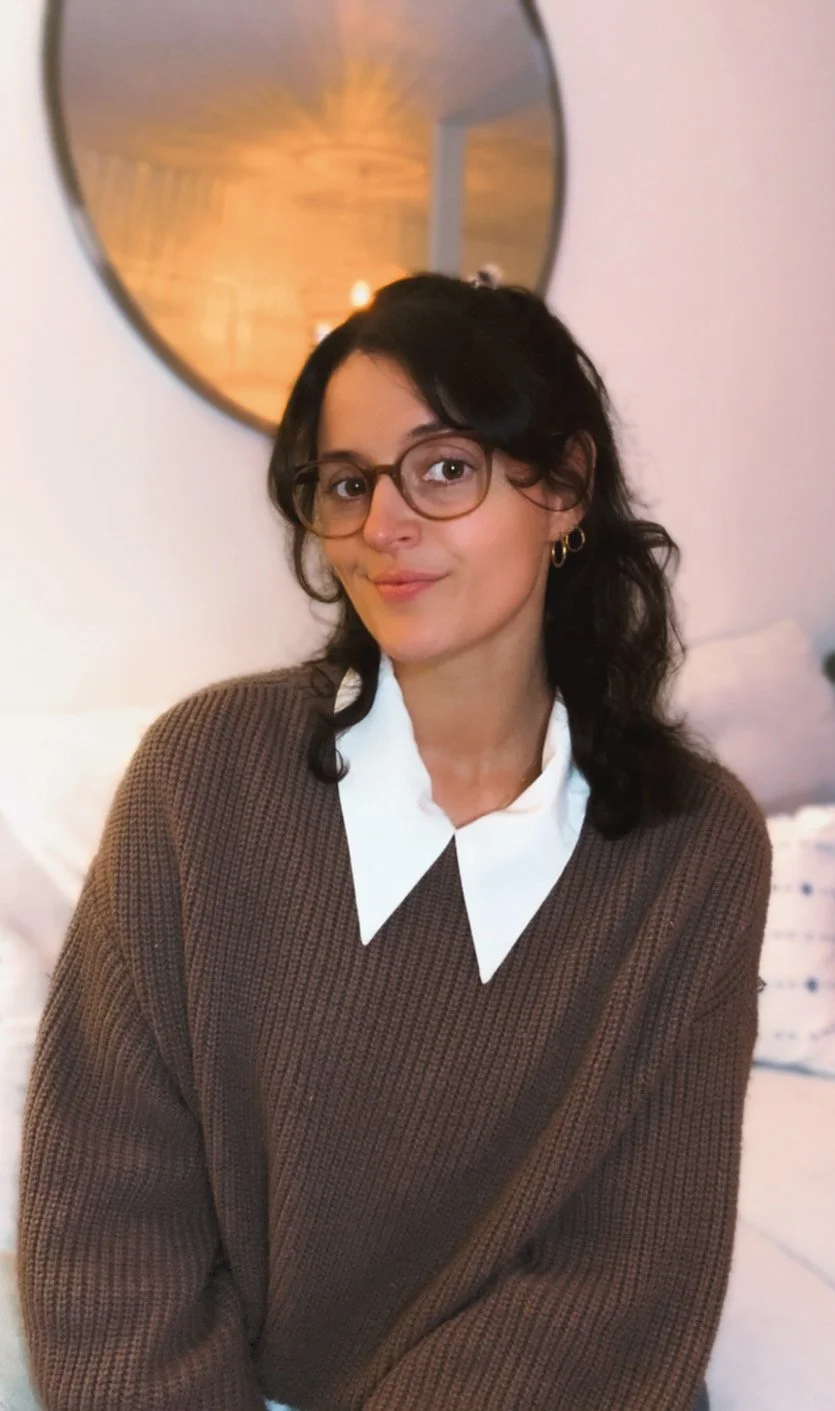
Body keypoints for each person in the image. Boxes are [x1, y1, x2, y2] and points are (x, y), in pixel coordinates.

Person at [16, 273, 769, 1411]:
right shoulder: (201, 775)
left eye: (445, 467)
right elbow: (108, 1206)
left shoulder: (697, 849)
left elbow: (623, 1279)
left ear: (564, 486)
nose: (383, 525)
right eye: (348, 481)